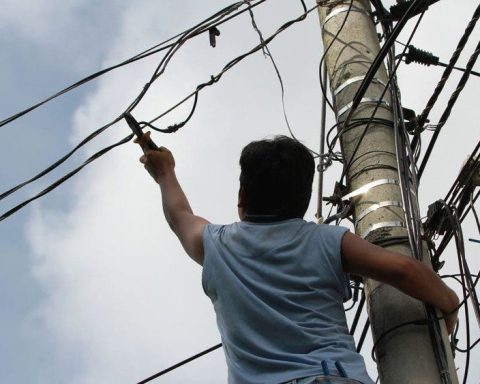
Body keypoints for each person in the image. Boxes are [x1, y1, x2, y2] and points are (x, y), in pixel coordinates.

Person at [136, 133, 459, 384]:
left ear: (242, 196)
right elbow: (403, 269)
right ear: (303, 201)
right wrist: (449, 301)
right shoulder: (326, 240)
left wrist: (165, 172)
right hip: (332, 376)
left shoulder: (216, 245)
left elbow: (179, 215)